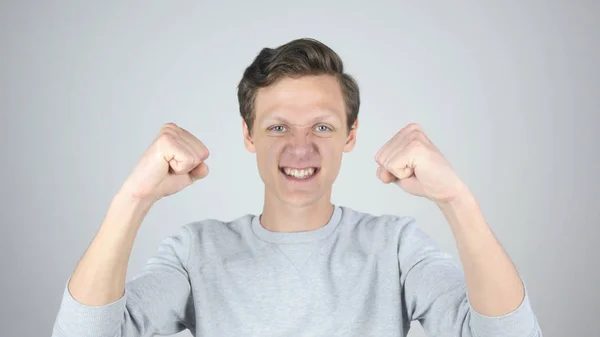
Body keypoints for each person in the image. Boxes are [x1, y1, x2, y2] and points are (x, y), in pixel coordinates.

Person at [51, 38, 543, 337]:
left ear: (351, 135)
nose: (300, 149)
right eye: (279, 127)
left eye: (323, 128)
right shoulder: (196, 250)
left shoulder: (395, 246)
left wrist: (457, 199)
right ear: (248, 135)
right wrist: (131, 200)